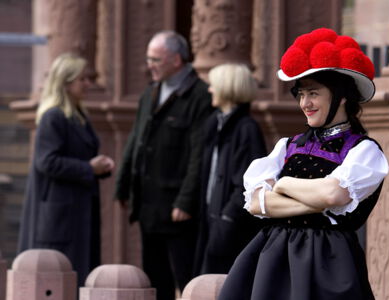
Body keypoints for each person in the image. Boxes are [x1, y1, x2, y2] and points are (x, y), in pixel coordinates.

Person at [218, 28, 389, 300]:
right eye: (300, 94)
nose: (305, 103)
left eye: (313, 94)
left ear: (341, 96)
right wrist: (322, 204)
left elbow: (333, 193)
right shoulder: (287, 146)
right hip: (272, 259)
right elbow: (255, 203)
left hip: (329, 263)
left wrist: (283, 185)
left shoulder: (364, 151)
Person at [114, 30, 212, 300]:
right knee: (155, 276)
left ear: (177, 60)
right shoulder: (150, 92)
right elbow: (136, 139)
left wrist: (185, 201)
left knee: (186, 275)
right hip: (148, 203)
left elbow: (198, 154)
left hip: (177, 208)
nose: (150, 65)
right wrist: (123, 186)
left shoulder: (200, 95)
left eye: (155, 59)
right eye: (148, 59)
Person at [18, 53, 115, 286]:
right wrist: (88, 168)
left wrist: (100, 167)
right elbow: (46, 162)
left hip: (79, 209)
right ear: (66, 82)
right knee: (60, 277)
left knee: (80, 272)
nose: (87, 84)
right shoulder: (53, 117)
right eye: (82, 79)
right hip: (60, 215)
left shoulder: (79, 115)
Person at [194, 63, 267, 275]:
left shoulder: (246, 129)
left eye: (213, 85)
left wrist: (227, 220)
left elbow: (248, 182)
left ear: (228, 87)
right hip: (210, 219)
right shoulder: (215, 124)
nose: (209, 90)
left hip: (231, 228)